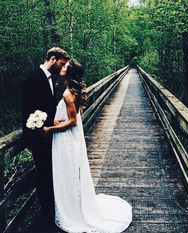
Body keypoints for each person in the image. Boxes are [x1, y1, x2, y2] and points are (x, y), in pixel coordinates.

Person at [43, 60, 132, 232]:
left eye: (65, 67)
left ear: (70, 73)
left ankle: (72, 210)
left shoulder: (69, 93)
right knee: (69, 171)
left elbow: (71, 122)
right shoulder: (71, 91)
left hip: (66, 138)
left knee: (67, 171)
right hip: (69, 137)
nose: (61, 68)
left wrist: (50, 128)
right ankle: (72, 205)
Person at [22, 47, 70, 224]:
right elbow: (29, 109)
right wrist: (42, 128)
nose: (61, 67)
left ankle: (51, 209)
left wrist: (52, 124)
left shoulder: (50, 79)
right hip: (38, 137)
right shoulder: (34, 78)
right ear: (52, 59)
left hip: (49, 134)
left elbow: (47, 107)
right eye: (61, 63)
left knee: (49, 172)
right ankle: (46, 215)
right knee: (43, 173)